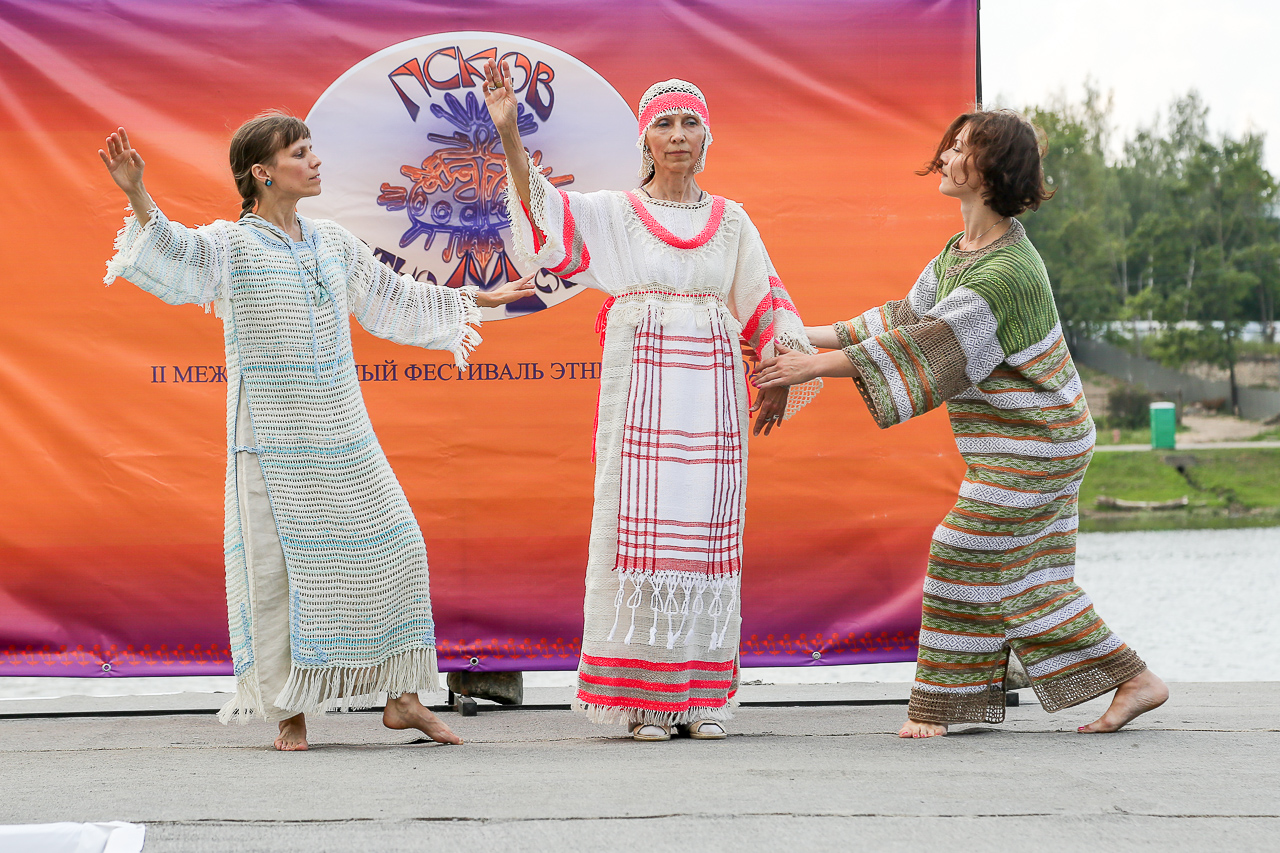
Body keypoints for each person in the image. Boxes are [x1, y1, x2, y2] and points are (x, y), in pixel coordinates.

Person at [99, 113, 534, 751]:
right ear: (262, 172)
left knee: (400, 545)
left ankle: (403, 698)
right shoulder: (232, 246)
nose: (314, 161)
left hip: (342, 429)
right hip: (269, 441)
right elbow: (177, 252)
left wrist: (480, 300)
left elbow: (394, 297)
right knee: (278, 570)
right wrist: (137, 192)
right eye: (300, 153)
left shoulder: (332, 242)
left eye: (312, 150)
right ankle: (289, 712)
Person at [752, 109, 1168, 737]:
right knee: (1026, 579)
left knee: (960, 549)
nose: (945, 156)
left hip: (1039, 443)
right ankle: (1132, 680)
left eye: (962, 147)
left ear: (991, 170)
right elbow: (902, 320)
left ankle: (947, 707)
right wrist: (799, 336)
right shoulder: (960, 253)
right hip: (1019, 443)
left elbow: (930, 347)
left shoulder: (1006, 272)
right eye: (950, 145)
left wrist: (810, 365)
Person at [485, 63, 822, 741]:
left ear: (706, 137)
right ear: (645, 139)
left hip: (712, 393)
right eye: (664, 124)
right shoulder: (616, 213)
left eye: (690, 123)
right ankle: (644, 699)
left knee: (704, 533)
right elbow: (545, 216)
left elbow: (764, 300)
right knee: (637, 530)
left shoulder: (731, 221)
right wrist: (510, 136)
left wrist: (779, 374)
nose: (677, 135)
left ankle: (700, 698)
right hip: (642, 386)